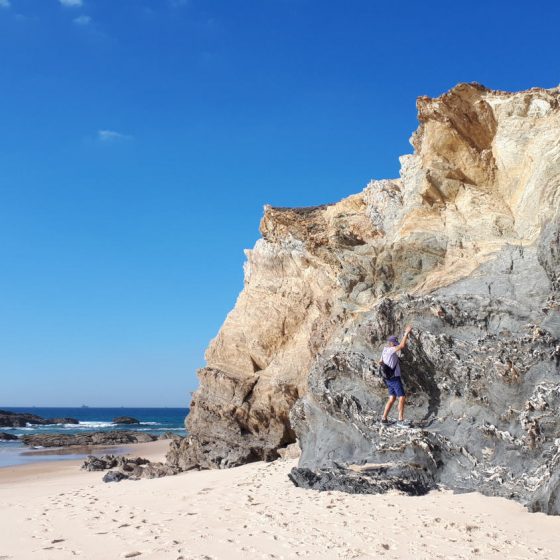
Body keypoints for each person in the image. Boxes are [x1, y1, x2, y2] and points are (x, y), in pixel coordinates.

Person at [380, 325, 413, 427]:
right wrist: (406, 333)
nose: (395, 346)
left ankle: (384, 419)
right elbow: (402, 346)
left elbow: (380, 362)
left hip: (387, 378)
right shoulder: (390, 350)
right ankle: (400, 420)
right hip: (394, 378)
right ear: (391, 343)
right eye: (394, 344)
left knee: (392, 398)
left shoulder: (384, 350)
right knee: (402, 397)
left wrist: (388, 366)